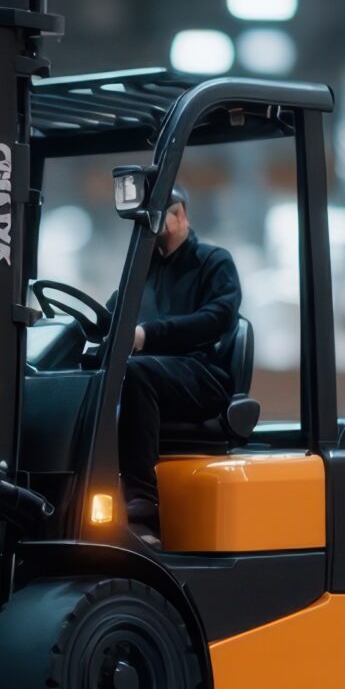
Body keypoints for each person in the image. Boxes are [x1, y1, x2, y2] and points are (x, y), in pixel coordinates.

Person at [118, 188, 241, 528]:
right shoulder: (143, 268)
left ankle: (142, 498)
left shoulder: (213, 261)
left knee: (136, 373)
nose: (151, 227)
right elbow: (112, 314)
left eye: (159, 216)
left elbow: (218, 317)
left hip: (203, 373)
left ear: (181, 215)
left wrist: (149, 334)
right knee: (101, 374)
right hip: (154, 374)